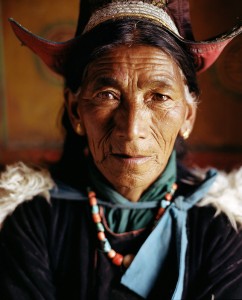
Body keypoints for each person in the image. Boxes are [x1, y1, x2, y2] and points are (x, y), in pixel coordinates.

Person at [0, 0, 242, 299]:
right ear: (76, 111)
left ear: (188, 116)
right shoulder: (33, 220)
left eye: (159, 96)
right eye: (108, 94)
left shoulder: (224, 226)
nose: (131, 130)